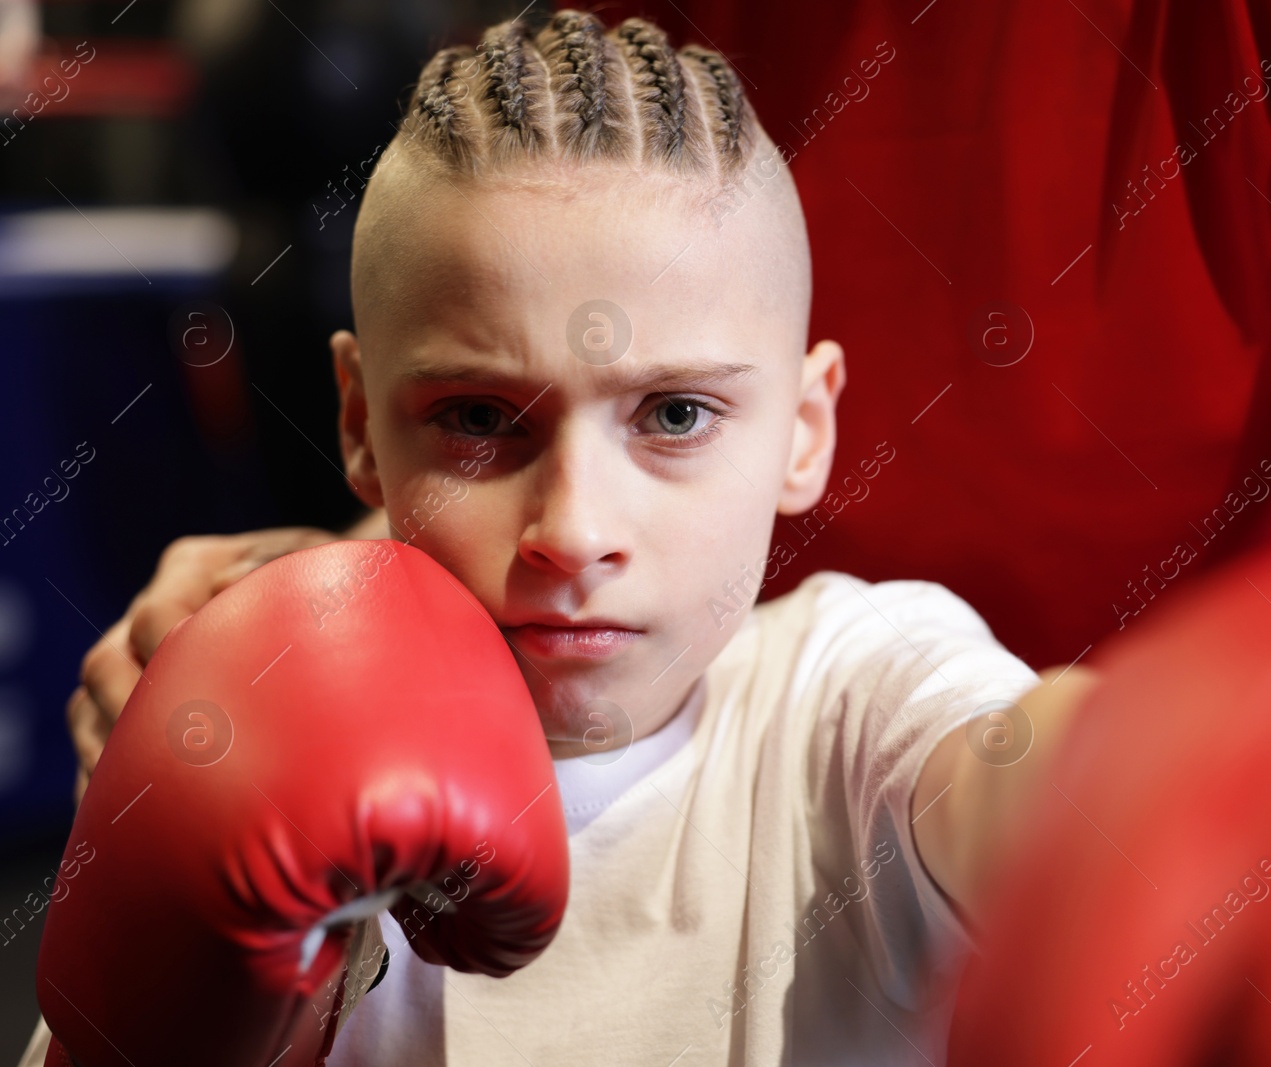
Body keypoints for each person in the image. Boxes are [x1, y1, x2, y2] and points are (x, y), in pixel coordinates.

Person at [24, 10, 1088, 1065]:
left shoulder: (852, 699)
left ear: (804, 433)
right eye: (481, 420)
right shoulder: (258, 729)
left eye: (674, 414)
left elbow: (1055, 785)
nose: (573, 532)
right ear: (356, 420)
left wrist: (1202, 755)